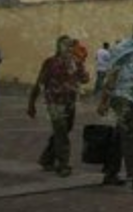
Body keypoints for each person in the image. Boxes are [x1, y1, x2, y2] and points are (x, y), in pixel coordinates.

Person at [97, 18, 133, 190]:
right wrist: (104, 101)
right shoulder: (124, 48)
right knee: (130, 134)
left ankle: (111, 172)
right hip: (123, 96)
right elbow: (113, 72)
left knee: (119, 136)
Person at [26, 34, 89, 177]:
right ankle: (63, 164)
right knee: (61, 132)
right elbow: (39, 83)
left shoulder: (75, 62)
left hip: (70, 103)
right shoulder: (50, 62)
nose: (69, 48)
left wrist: (82, 62)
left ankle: (47, 158)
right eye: (65, 45)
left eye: (71, 45)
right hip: (54, 103)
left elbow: (84, 79)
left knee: (64, 131)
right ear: (58, 46)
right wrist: (31, 104)